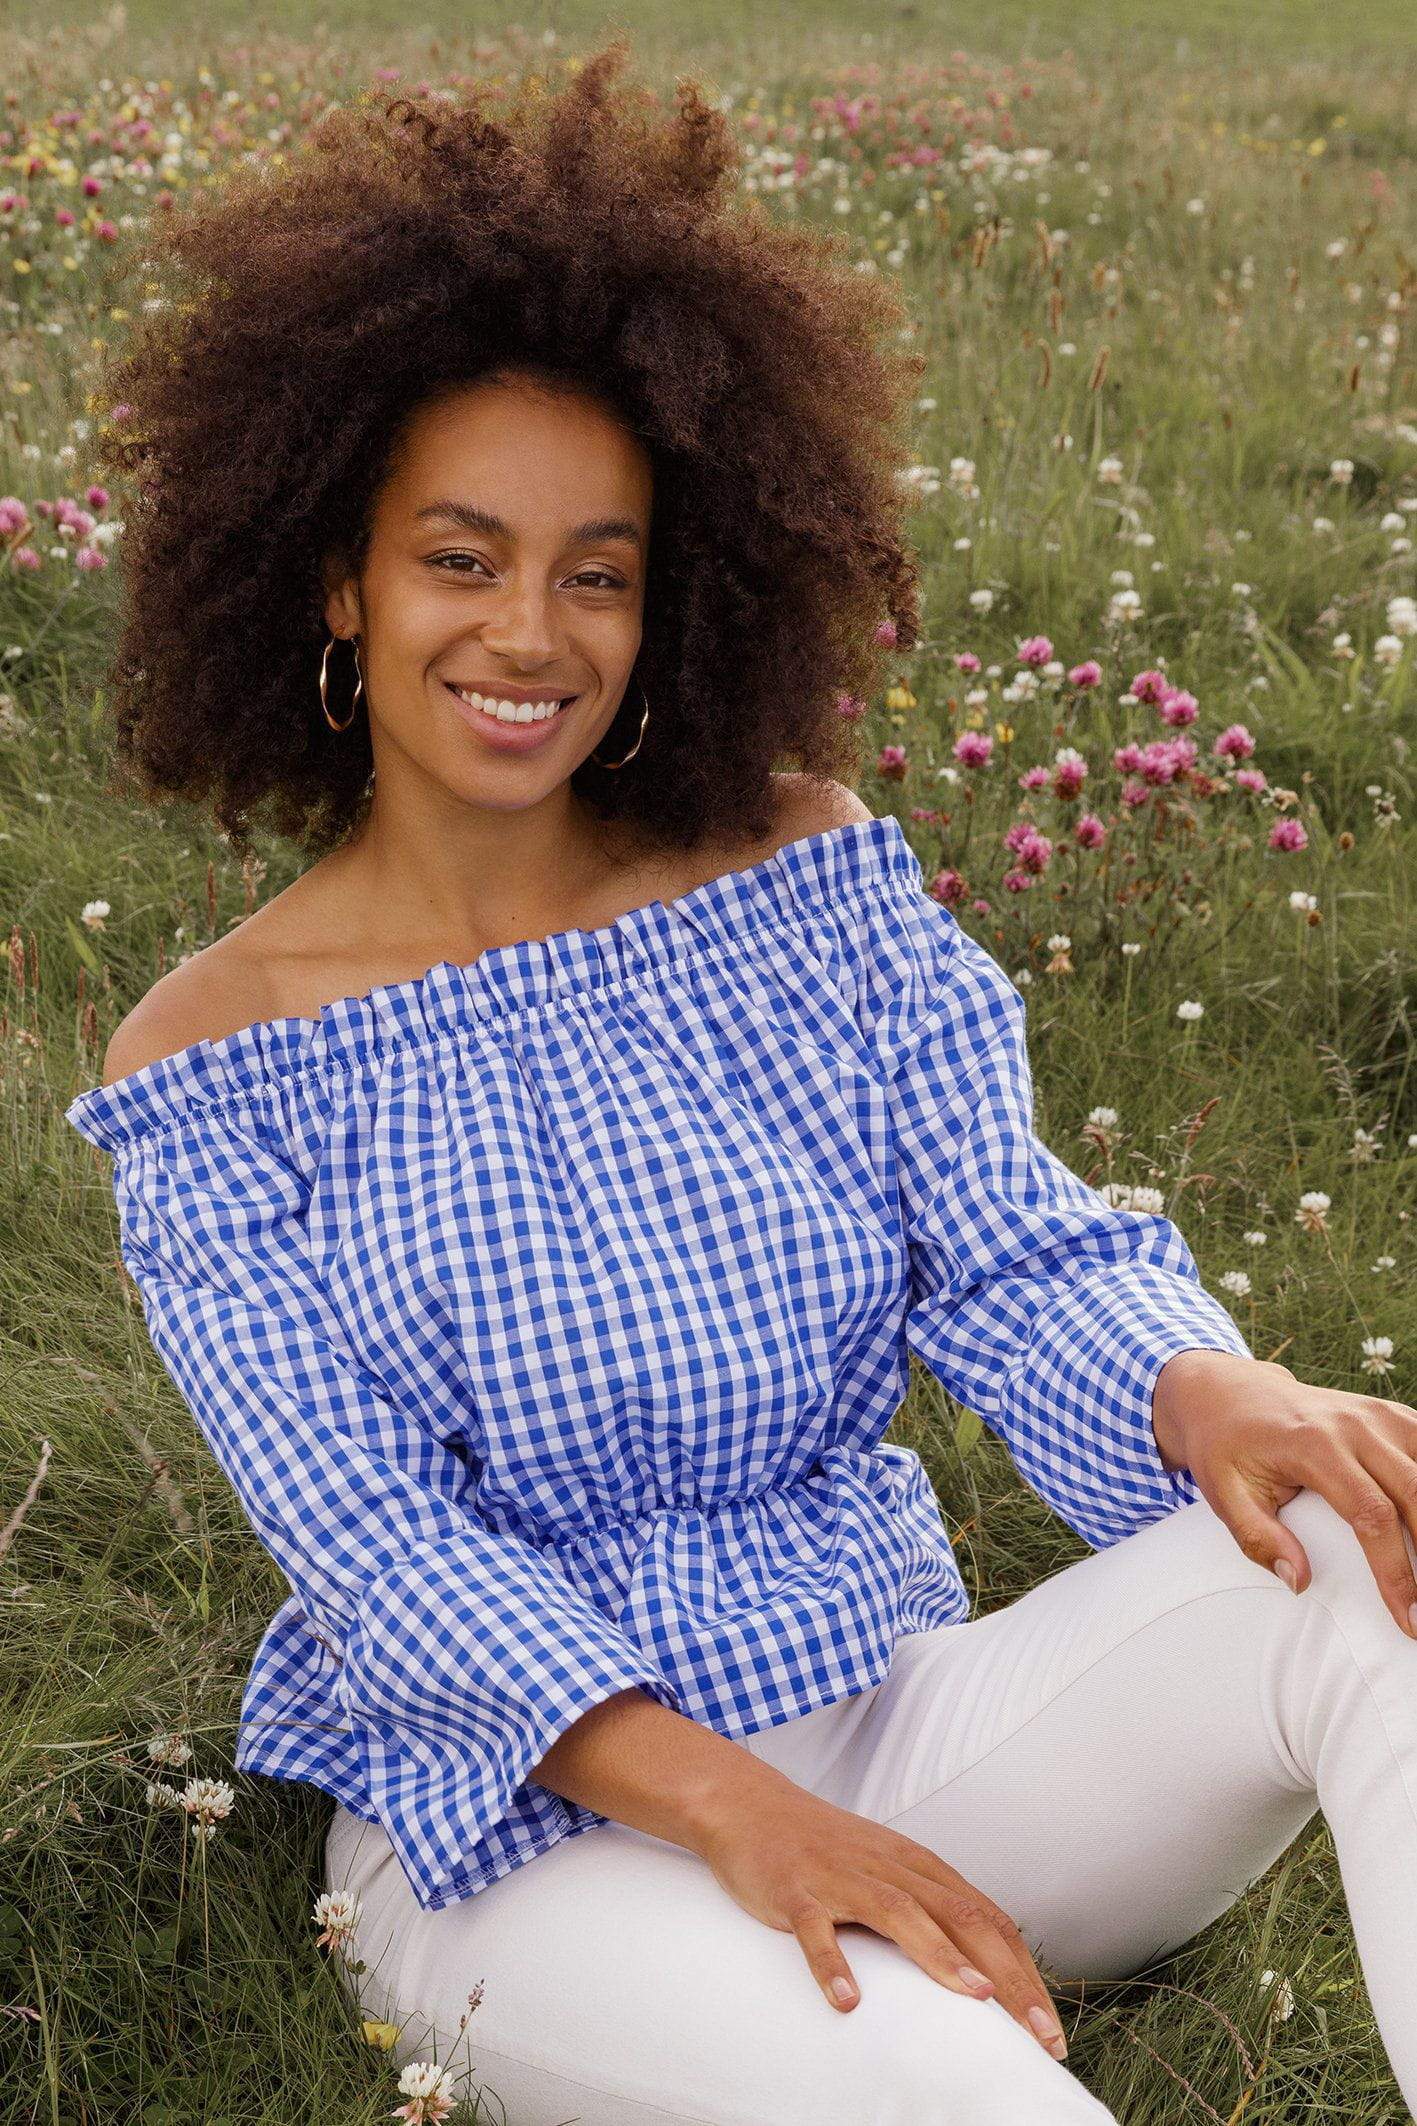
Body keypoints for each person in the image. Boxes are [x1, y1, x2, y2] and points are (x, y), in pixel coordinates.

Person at [65, 45, 1417, 2126]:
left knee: (1374, 1540)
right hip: (525, 1840)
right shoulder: (211, 1062)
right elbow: (385, 1556)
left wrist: (1199, 1388)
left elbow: (1006, 1237)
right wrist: (741, 1822)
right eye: (458, 556)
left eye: (593, 569)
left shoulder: (800, 876)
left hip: (897, 1719)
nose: (529, 632)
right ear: (332, 579)